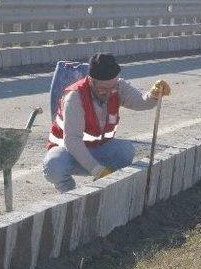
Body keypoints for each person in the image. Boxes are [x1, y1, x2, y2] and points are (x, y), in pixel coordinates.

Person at [43, 53, 171, 192]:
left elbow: (140, 101)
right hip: (69, 153)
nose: (110, 93)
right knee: (54, 164)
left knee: (125, 151)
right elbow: (73, 141)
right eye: (103, 89)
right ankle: (69, 196)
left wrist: (153, 95)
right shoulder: (75, 97)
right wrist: (97, 169)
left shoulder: (117, 86)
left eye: (112, 87)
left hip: (98, 148)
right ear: (91, 80)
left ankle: (101, 189)